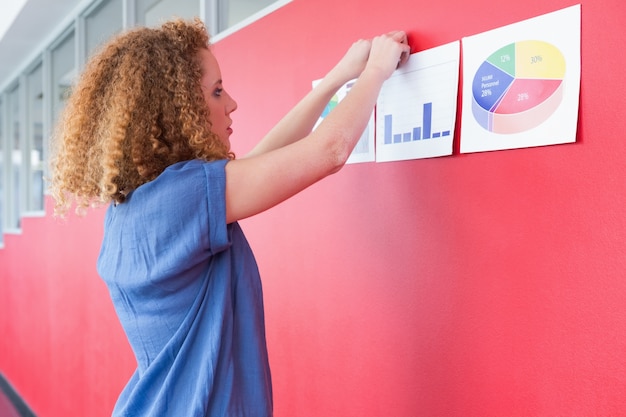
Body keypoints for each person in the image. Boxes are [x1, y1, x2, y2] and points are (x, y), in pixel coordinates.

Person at [49, 18, 409, 417]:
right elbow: (330, 151)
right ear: (176, 109)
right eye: (217, 91)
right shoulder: (185, 196)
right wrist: (377, 70)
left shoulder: (138, 205)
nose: (231, 103)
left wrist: (337, 78)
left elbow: (262, 162)